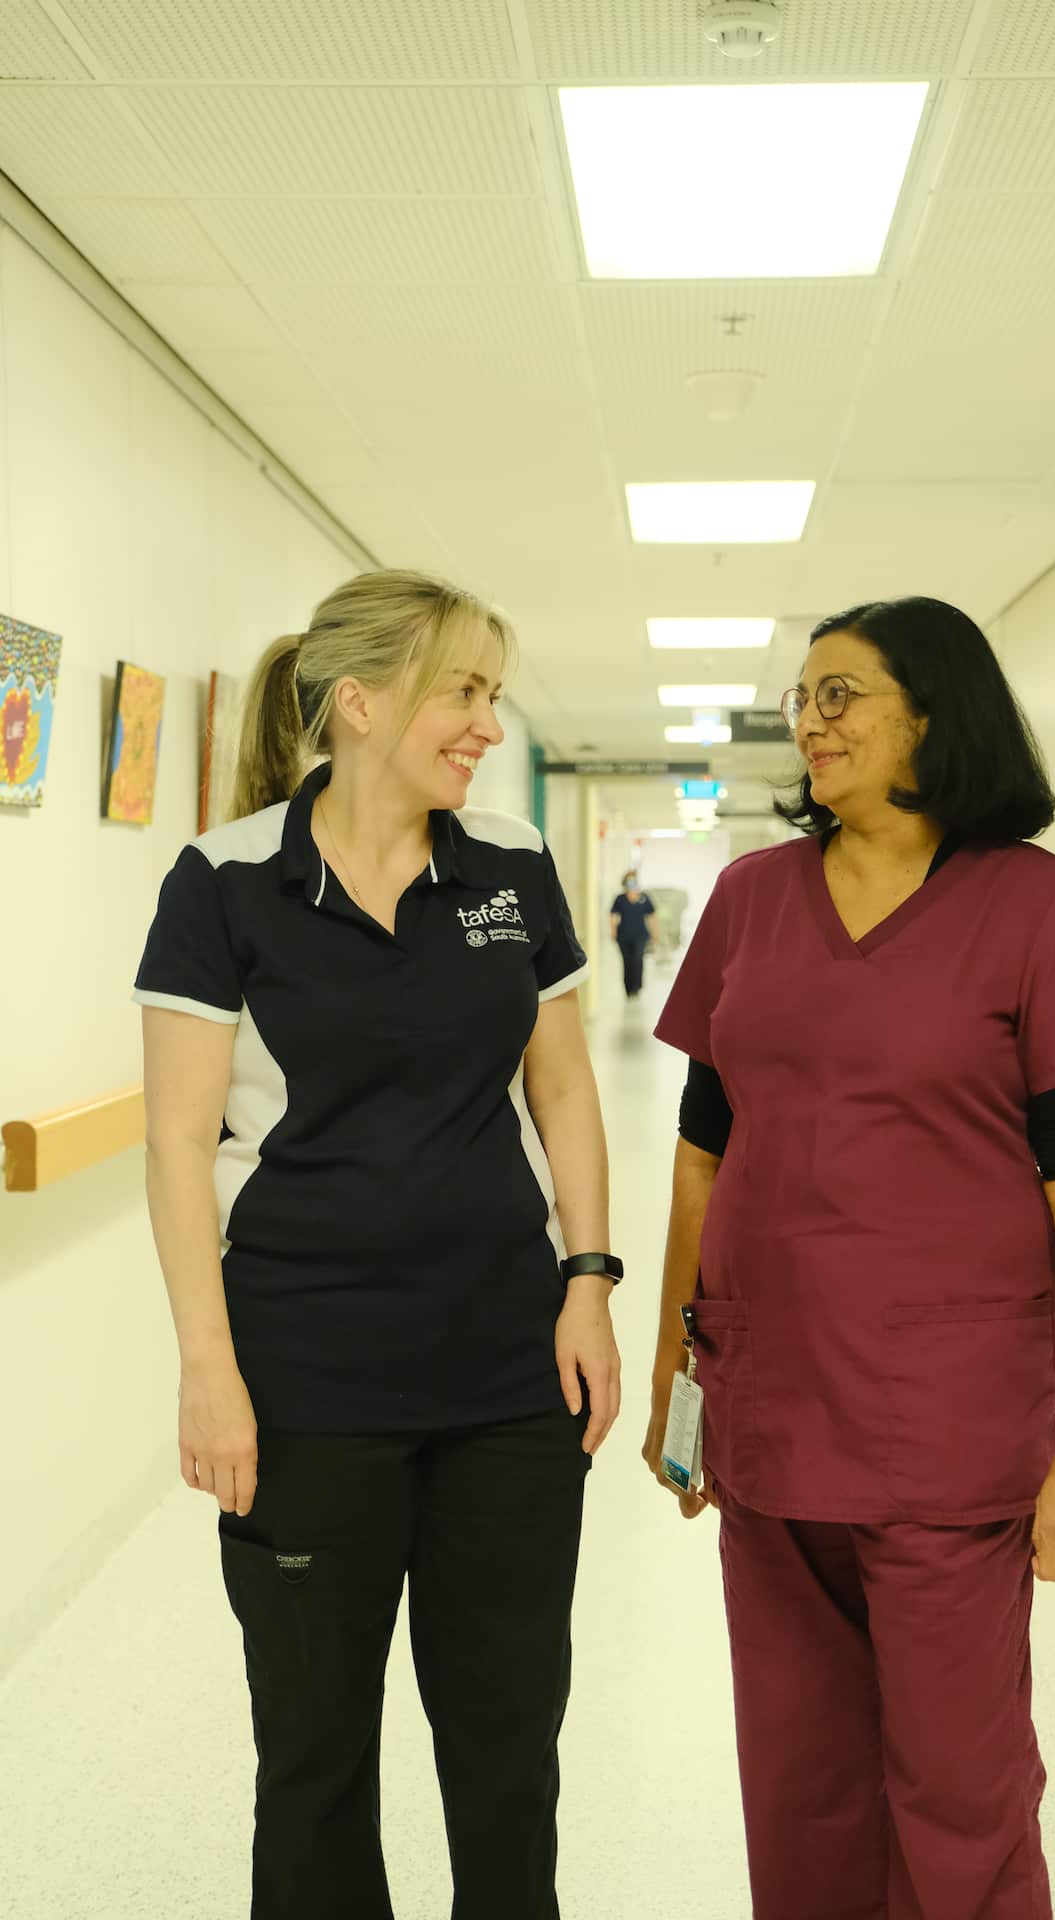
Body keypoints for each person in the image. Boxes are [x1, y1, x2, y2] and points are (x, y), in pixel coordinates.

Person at [643, 596, 1055, 1920]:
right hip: (766, 1420)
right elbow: (703, 1155)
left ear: (936, 714)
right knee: (799, 1788)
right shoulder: (754, 901)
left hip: (943, 1435)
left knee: (960, 1791)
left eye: (841, 695)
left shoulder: (1043, 909)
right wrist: (675, 1387)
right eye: (802, 700)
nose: (810, 723)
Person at [134, 570, 623, 1920]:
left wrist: (589, 1283)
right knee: (313, 1760)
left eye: (491, 695)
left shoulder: (511, 865)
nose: (484, 723)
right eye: (461, 691)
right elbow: (179, 1146)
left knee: (508, 1753)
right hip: (308, 1387)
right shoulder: (224, 882)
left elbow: (566, 1089)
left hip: (508, 1387)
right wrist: (208, 1370)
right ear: (358, 704)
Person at [609, 869, 657, 997]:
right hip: (623, 936)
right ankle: (628, 988)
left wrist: (655, 933)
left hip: (640, 935)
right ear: (625, 883)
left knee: (637, 959)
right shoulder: (620, 899)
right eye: (629, 880)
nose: (632, 883)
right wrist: (613, 932)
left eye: (633, 879)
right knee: (627, 961)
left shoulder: (644, 898)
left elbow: (652, 916)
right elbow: (613, 916)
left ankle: (637, 987)